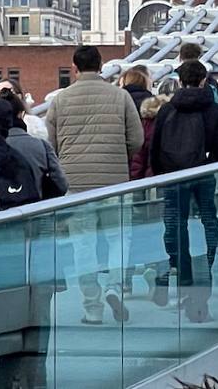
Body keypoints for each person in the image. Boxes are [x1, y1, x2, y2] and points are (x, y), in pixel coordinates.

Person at [46, 45, 144, 325]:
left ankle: (92, 308)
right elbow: (137, 140)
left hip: (75, 184)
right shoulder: (121, 96)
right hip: (114, 183)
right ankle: (115, 287)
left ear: (74, 69)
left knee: (83, 247)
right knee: (118, 239)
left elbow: (50, 145)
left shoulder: (60, 100)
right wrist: (118, 158)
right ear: (101, 67)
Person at [150, 61, 218, 322]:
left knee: (176, 228)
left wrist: (164, 175)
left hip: (173, 180)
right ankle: (201, 293)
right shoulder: (215, 111)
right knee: (208, 228)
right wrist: (206, 166)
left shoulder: (166, 110)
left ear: (179, 81)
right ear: (204, 81)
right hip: (204, 178)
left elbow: (155, 149)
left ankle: (181, 279)